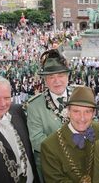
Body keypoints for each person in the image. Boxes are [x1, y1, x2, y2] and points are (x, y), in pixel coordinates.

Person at [26, 49, 71, 181]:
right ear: (45, 80)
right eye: (51, 77)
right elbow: (37, 140)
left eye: (61, 75)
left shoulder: (80, 95)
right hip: (51, 166)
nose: (57, 81)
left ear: (68, 76)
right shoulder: (34, 106)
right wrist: (68, 149)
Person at [41, 86, 99, 182]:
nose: (82, 118)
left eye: (87, 112)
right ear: (68, 112)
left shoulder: (96, 128)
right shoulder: (49, 146)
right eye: (76, 111)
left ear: (94, 114)